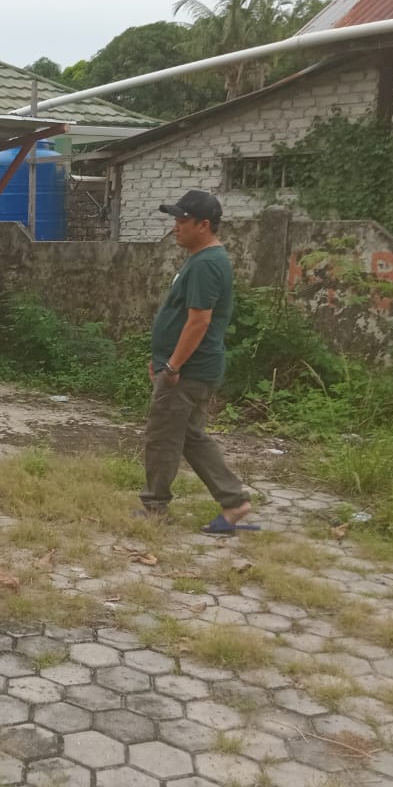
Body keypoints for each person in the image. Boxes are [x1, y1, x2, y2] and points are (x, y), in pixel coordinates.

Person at [139, 189, 258, 535]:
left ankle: (154, 506)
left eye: (182, 220)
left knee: (162, 437)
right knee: (190, 435)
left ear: (204, 225)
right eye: (175, 220)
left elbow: (198, 321)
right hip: (187, 367)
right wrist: (161, 358)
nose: (176, 227)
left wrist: (173, 365)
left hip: (187, 371)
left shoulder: (207, 263)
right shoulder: (201, 257)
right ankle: (234, 502)